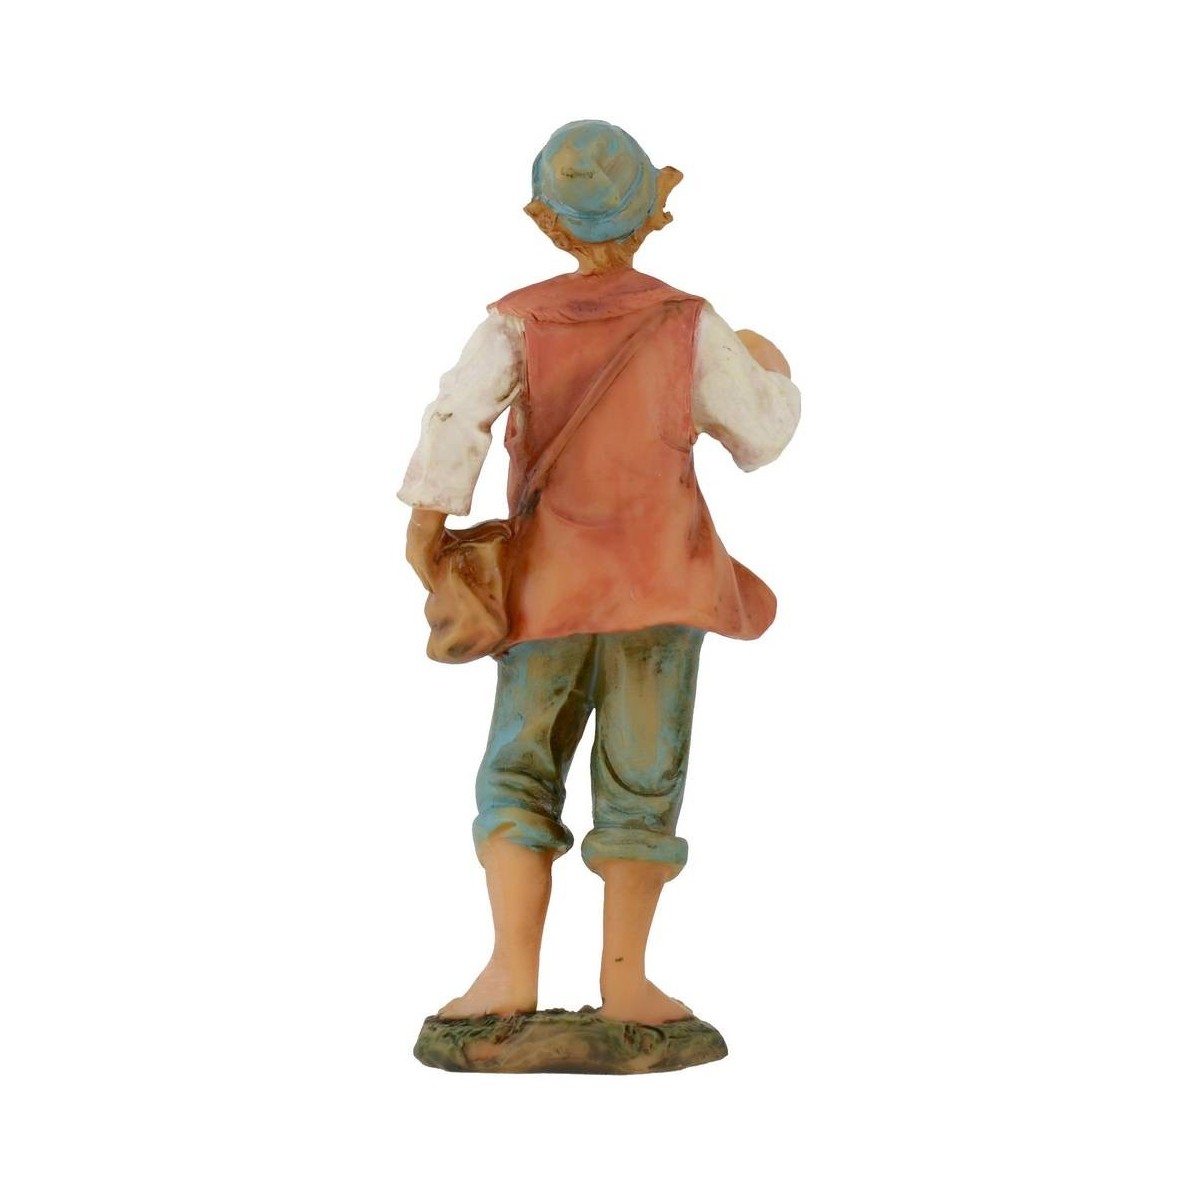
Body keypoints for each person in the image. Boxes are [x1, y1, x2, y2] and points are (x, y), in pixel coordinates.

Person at [400, 120, 800, 1025]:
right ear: (653, 215)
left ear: (547, 221)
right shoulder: (689, 322)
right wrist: (770, 364)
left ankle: (509, 974)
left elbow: (454, 417)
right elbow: (762, 435)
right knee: (643, 779)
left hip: (546, 588)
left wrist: (427, 527)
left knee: (518, 772)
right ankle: (627, 984)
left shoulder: (516, 320)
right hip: (664, 586)